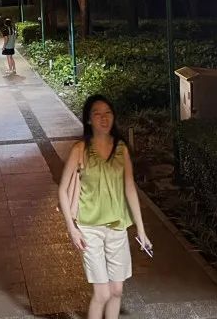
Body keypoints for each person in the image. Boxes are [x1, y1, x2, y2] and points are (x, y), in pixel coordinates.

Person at [58, 95, 152, 319]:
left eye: (107, 112)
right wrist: (72, 229)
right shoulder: (80, 149)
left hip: (117, 226)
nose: (103, 118)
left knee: (117, 290)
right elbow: (62, 189)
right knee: (102, 293)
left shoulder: (121, 149)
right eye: (97, 113)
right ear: (89, 120)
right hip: (89, 229)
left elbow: (130, 188)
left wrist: (141, 229)